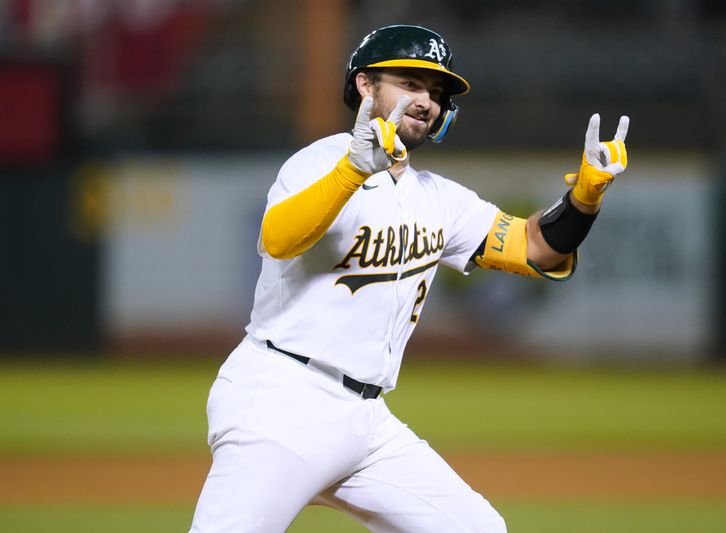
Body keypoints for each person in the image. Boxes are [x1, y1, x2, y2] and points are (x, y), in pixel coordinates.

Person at [189, 24, 629, 533]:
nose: (426, 101)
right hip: (282, 399)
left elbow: (537, 248)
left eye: (436, 93)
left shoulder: (437, 197)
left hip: (366, 422)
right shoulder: (318, 162)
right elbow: (277, 238)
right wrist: (352, 171)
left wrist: (586, 198)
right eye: (411, 83)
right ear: (365, 86)